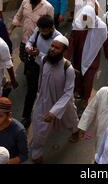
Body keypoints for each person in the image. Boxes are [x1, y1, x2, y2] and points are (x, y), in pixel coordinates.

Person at [30, 35, 80, 163]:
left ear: (64, 51)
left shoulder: (68, 69)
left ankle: (75, 132)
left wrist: (54, 111)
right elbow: (41, 68)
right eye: (52, 46)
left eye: (57, 48)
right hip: (44, 100)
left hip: (63, 102)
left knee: (71, 119)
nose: (52, 49)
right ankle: (36, 154)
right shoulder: (46, 59)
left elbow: (68, 93)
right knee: (39, 127)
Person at [66, 5, 108, 111]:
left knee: (88, 80)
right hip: (78, 56)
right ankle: (78, 92)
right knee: (78, 76)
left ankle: (86, 98)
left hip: (92, 58)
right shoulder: (78, 24)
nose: (86, 23)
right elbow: (71, 41)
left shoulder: (101, 26)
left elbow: (104, 41)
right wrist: (66, 57)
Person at [8, 0, 54, 80]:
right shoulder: (25, 1)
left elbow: (51, 27)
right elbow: (18, 16)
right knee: (23, 58)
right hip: (25, 39)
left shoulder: (48, 7)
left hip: (38, 43)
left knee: (36, 64)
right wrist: (10, 29)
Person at [21, 15, 61, 128]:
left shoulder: (58, 38)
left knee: (48, 93)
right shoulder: (38, 31)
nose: (42, 32)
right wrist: (28, 48)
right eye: (41, 30)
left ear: (51, 27)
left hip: (50, 68)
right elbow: (30, 41)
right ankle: (26, 116)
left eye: (45, 30)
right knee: (31, 91)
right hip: (36, 65)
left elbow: (56, 58)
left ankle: (50, 116)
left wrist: (40, 54)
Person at [0, 97, 28, 164]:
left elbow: (24, 156)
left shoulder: (19, 132)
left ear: (9, 115)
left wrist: (5, 163)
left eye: (0, 116)